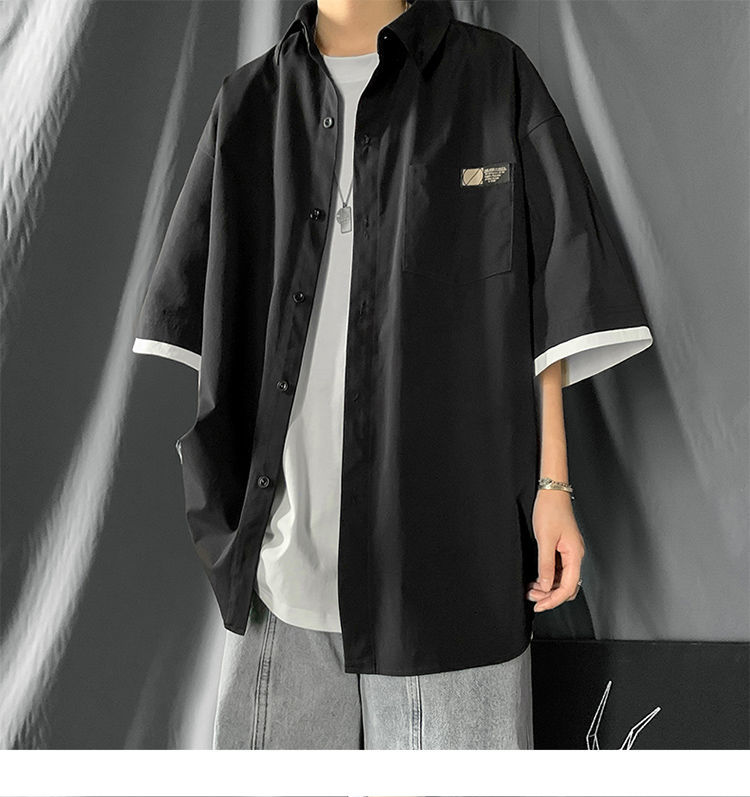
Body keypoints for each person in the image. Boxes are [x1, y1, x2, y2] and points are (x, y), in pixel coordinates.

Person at [132, 0, 653, 750]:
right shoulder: (248, 104)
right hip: (283, 577)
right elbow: (213, 326)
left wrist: (554, 486)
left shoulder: (492, 79)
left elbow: (543, 307)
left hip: (450, 571)